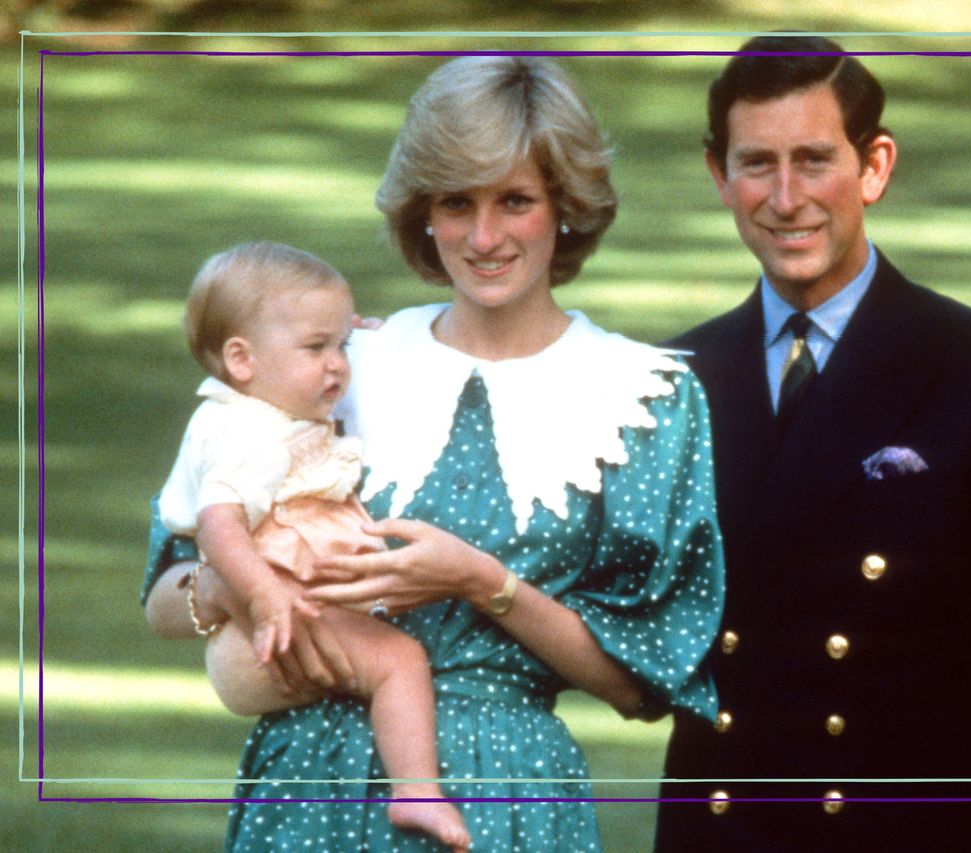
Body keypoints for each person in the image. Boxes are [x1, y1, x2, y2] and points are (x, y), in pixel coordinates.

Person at [142, 55, 724, 853]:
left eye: (515, 201)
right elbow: (164, 598)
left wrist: (482, 581)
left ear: (566, 208)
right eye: (457, 202)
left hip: (503, 797)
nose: (484, 237)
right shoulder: (337, 366)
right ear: (424, 212)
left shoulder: (644, 399)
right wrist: (251, 577)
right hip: (309, 786)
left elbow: (642, 685)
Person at [654, 36, 971, 852]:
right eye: (757, 164)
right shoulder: (675, 375)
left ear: (875, 166)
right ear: (718, 175)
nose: (786, 198)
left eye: (815, 159)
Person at [157, 242, 469, 852]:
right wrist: (265, 595)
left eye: (341, 346)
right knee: (400, 661)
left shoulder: (259, 410)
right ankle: (418, 795)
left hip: (270, 630)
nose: (337, 366)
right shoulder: (246, 435)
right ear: (241, 359)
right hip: (268, 632)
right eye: (315, 348)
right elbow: (218, 524)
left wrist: (360, 344)